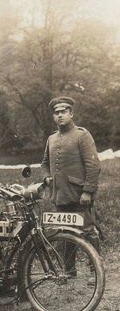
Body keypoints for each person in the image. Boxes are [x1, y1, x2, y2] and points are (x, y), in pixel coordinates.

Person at [41, 96, 101, 284]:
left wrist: (88, 191)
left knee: (89, 231)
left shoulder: (82, 135)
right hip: (60, 195)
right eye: (56, 113)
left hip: (79, 195)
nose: (59, 115)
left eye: (63, 111)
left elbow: (93, 165)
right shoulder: (51, 138)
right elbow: (44, 164)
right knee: (65, 232)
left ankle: (96, 270)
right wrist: (46, 177)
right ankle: (68, 270)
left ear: (71, 113)